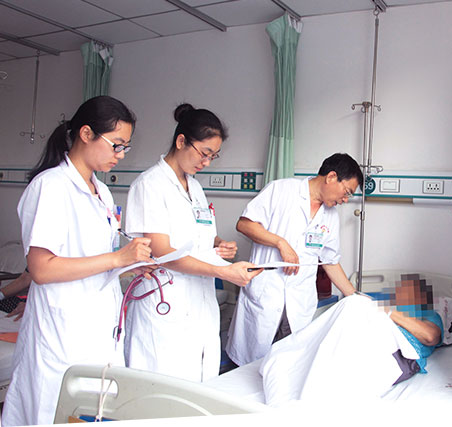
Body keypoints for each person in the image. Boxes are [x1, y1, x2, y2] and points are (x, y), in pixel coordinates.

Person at [2, 96, 154, 426]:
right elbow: (41, 268)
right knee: (51, 414)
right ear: (86, 134)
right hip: (62, 334)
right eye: (116, 145)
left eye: (125, 147)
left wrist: (126, 266)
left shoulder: (102, 193)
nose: (121, 154)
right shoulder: (51, 187)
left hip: (98, 330)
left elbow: (93, 260)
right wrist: (117, 258)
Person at [124, 104, 262, 383]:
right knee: (162, 388)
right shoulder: (150, 185)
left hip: (199, 300)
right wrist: (223, 271)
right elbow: (161, 251)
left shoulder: (195, 187)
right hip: (166, 301)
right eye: (204, 153)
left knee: (198, 385)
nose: (207, 162)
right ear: (181, 141)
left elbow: (199, 236)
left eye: (213, 156)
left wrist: (219, 245)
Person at [226, 153, 363, 366]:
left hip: (299, 304)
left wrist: (354, 297)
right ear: (331, 177)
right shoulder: (280, 190)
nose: (345, 200)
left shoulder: (330, 216)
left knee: (287, 367)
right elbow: (244, 224)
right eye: (347, 192)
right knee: (247, 368)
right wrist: (280, 243)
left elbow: (330, 261)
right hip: (265, 296)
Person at [258, 275, 443, 406]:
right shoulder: (383, 309)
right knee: (352, 304)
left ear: (422, 299)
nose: (401, 294)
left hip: (400, 354)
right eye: (400, 290)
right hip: (364, 337)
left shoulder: (428, 315)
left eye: (409, 291)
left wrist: (385, 310)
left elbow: (430, 336)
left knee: (356, 303)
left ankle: (314, 395)